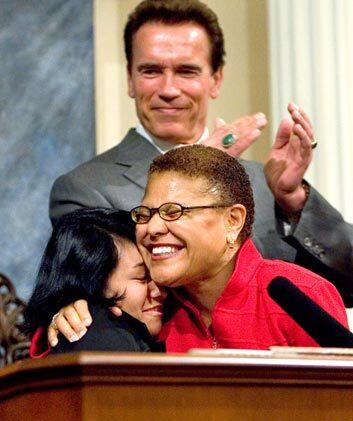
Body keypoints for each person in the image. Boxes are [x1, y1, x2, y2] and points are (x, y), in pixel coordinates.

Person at [49, 0, 353, 303]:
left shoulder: (264, 183)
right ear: (130, 79)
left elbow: (345, 285)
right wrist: (189, 179)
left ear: (216, 79)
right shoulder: (82, 189)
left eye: (186, 71)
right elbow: (107, 302)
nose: (168, 89)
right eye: (151, 71)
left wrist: (294, 201)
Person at [45, 145, 348, 351]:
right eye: (145, 214)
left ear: (232, 220)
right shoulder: (156, 308)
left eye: (174, 211)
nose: (151, 229)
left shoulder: (299, 294)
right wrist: (71, 314)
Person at [26, 208, 166, 356]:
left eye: (156, 273)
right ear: (94, 283)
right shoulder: (107, 343)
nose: (159, 291)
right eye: (142, 277)